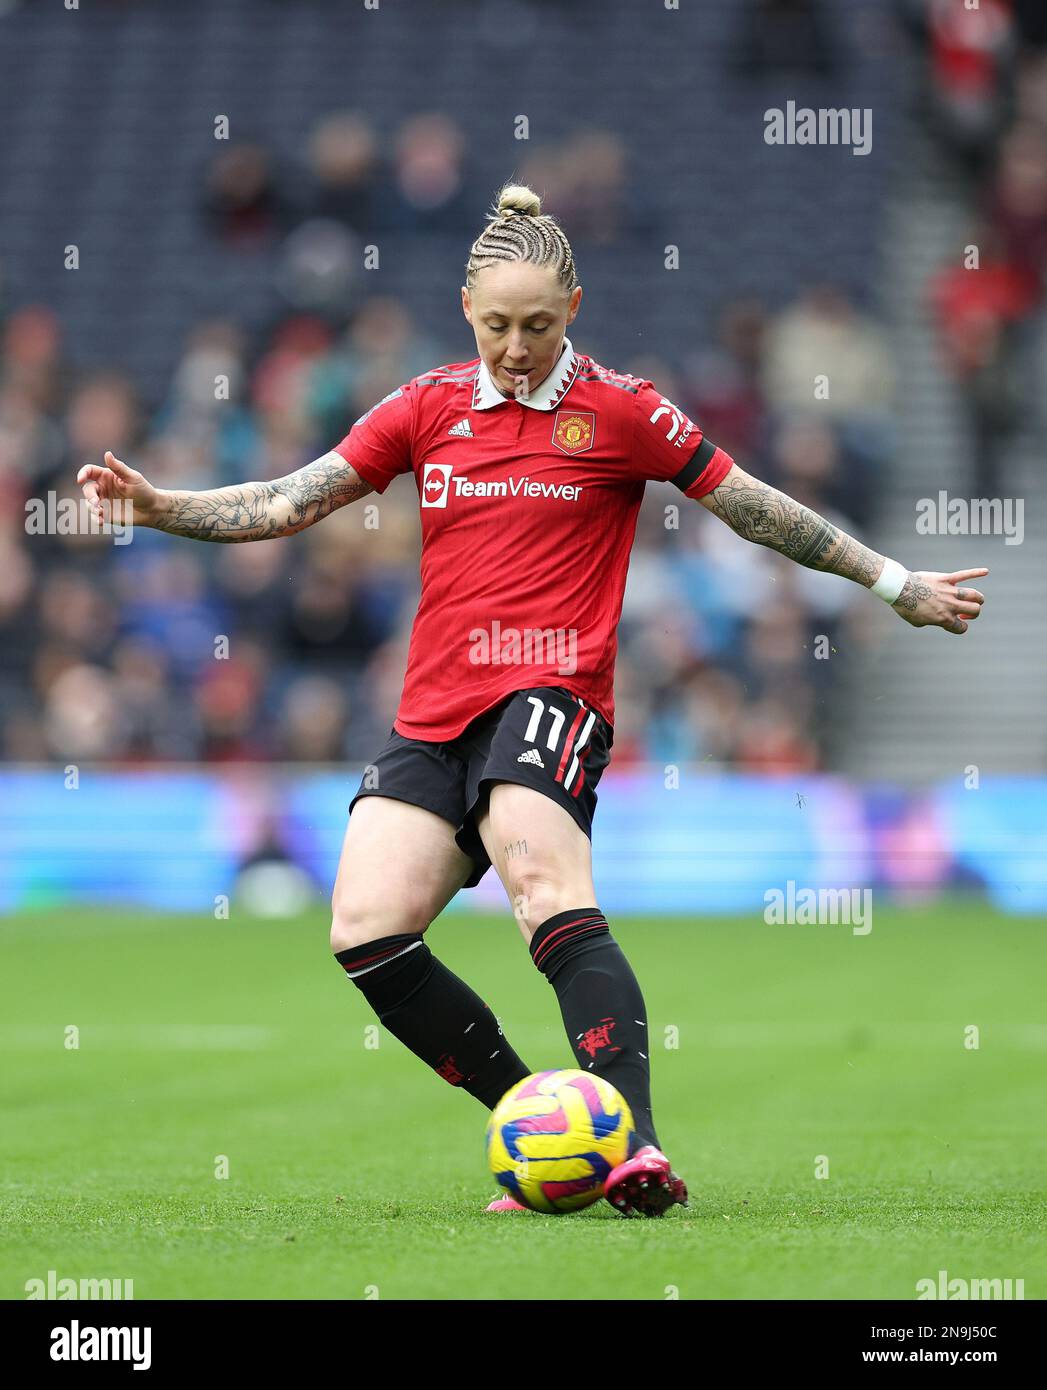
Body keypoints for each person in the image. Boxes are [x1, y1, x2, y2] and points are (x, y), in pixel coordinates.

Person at [78, 182, 989, 1217]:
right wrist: (163, 507)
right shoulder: (424, 404)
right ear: (468, 308)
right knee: (366, 928)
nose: (517, 346)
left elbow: (754, 505)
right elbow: (293, 498)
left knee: (537, 872)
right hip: (433, 713)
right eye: (499, 324)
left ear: (576, 308)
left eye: (540, 325)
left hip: (552, 691)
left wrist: (892, 583)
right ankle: (544, 1121)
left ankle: (638, 1144)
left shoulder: (624, 409)